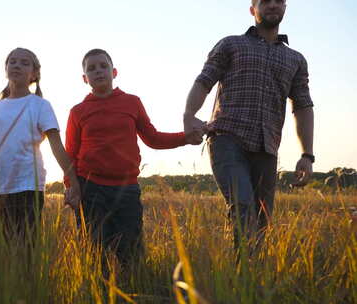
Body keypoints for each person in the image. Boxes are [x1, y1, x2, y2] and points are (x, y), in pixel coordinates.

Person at [183, 0, 314, 246]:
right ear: (253, 8)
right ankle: (241, 274)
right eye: (264, 1)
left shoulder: (296, 59)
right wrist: (189, 115)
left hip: (267, 147)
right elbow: (204, 81)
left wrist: (307, 154)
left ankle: (246, 278)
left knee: (262, 221)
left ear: (285, 7)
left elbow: (303, 106)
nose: (272, 5)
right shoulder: (231, 45)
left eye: (278, 1)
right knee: (242, 207)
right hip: (228, 139)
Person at [65, 49, 204, 268]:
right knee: (93, 251)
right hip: (90, 188)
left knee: (131, 251)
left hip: (126, 188)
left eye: (103, 66)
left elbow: (153, 138)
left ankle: (134, 291)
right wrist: (71, 186)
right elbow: (70, 154)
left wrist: (185, 138)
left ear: (114, 71)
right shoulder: (78, 111)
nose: (98, 71)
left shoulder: (131, 103)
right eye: (91, 68)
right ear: (85, 78)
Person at [0, 48, 81, 242]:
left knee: (27, 248)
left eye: (24, 62)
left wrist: (73, 181)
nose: (17, 65)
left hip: (28, 186)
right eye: (12, 61)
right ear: (5, 69)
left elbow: (56, 147)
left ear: (34, 74)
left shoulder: (40, 105)